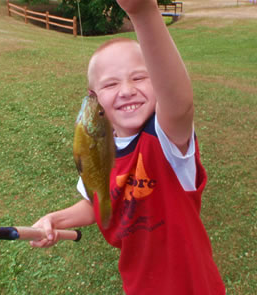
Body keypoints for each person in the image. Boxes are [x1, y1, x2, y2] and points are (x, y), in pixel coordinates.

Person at [30, 0, 226, 294]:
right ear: (94, 97)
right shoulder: (99, 149)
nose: (126, 90)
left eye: (140, 77)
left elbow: (180, 104)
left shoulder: (165, 139)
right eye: (110, 85)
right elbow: (94, 203)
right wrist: (54, 220)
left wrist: (142, 11)